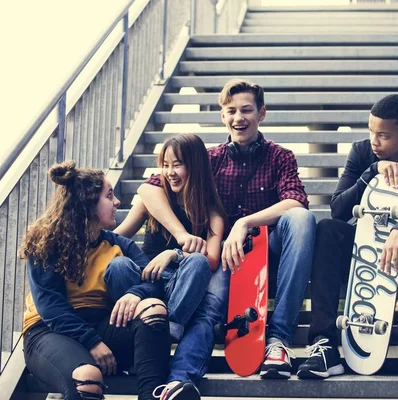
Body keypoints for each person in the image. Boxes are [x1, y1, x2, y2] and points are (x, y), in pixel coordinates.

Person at [137, 78, 316, 379]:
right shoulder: (210, 159)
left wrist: (245, 223)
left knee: (301, 219)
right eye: (231, 111)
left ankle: (279, 340)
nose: (238, 118)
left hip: (266, 251)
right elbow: (150, 187)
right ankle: (179, 379)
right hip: (224, 256)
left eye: (246, 110)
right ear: (222, 116)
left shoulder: (280, 156)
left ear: (262, 113)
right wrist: (184, 238)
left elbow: (296, 201)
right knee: (209, 307)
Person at [298, 94, 398, 379]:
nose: (374, 141)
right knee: (327, 229)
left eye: (383, 135)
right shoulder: (362, 153)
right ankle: (324, 345)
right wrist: (371, 172)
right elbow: (337, 209)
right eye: (371, 131)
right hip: (366, 253)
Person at [20, 161, 170, 400]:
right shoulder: (46, 242)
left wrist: (135, 294)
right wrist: (93, 343)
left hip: (102, 324)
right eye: (109, 196)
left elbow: (155, 282)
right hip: (50, 333)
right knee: (87, 379)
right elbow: (51, 309)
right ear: (87, 204)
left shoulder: (119, 244)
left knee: (153, 309)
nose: (117, 202)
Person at [115, 134, 228, 399]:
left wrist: (174, 254)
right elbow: (120, 236)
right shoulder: (153, 198)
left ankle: (167, 332)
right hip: (149, 282)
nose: (170, 172)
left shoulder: (212, 211)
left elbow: (211, 258)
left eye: (177, 165)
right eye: (165, 165)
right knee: (119, 265)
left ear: (195, 166)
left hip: (183, 289)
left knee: (199, 261)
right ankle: (142, 336)